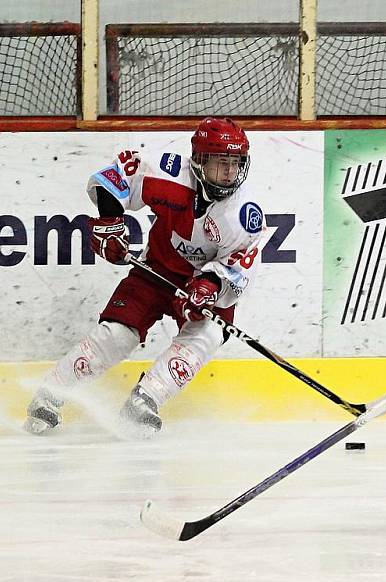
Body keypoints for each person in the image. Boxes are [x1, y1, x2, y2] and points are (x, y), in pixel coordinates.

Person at [24, 117, 265, 436]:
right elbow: (117, 175)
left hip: (206, 286)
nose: (230, 172)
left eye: (236, 163)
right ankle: (50, 394)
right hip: (156, 271)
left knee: (204, 337)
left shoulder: (244, 214)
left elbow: (238, 265)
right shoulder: (167, 172)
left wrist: (209, 286)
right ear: (199, 161)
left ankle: (144, 400)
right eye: (221, 163)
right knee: (116, 335)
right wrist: (110, 221)